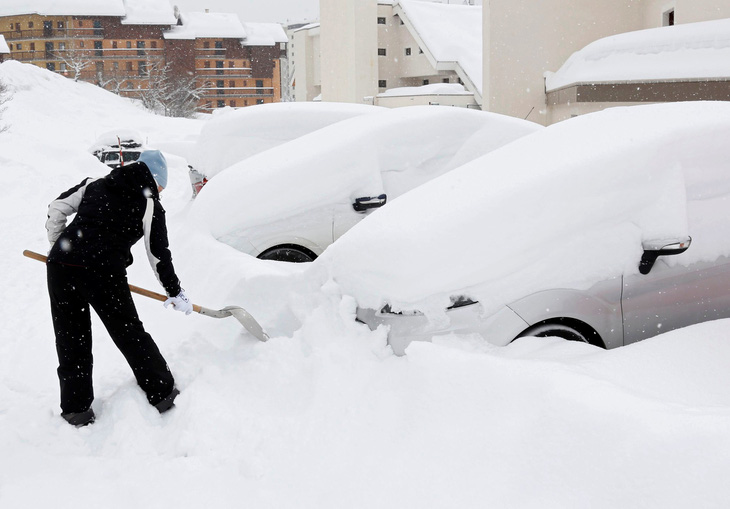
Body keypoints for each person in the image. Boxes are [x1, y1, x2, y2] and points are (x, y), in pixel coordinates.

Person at [45, 150, 192, 427]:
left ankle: (76, 409)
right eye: (161, 186)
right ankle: (162, 393)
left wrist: (58, 247)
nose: (160, 191)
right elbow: (159, 254)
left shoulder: (95, 183)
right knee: (129, 332)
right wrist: (175, 291)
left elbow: (56, 207)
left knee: (71, 338)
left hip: (62, 267)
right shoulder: (150, 204)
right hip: (103, 273)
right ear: (155, 180)